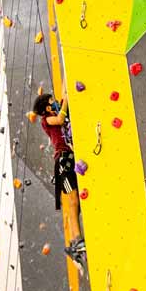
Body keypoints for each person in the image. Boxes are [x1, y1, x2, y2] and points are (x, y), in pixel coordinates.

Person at [32, 92, 87, 273]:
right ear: (47, 108)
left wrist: (65, 95)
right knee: (72, 202)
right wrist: (67, 98)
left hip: (69, 158)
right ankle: (77, 241)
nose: (55, 103)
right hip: (63, 161)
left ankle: (73, 243)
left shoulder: (53, 115)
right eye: (52, 101)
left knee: (75, 203)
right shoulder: (46, 120)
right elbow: (61, 118)